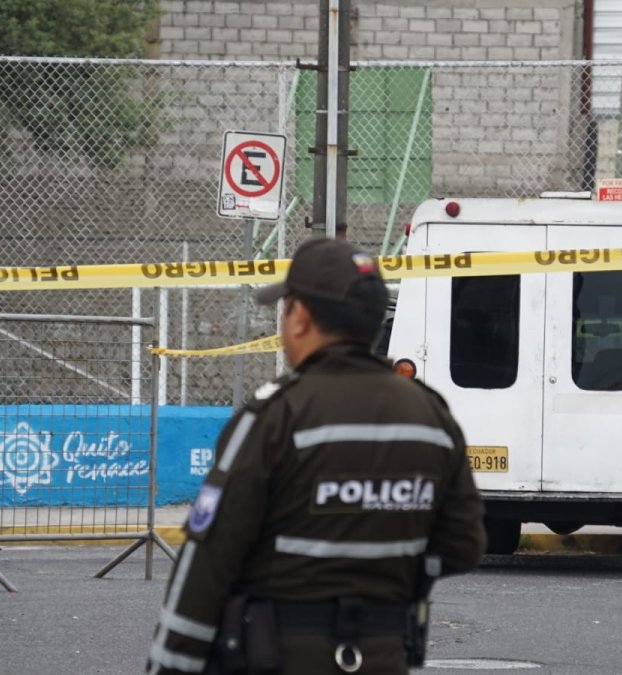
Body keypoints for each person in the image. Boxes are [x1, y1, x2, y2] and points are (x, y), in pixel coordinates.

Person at [148, 238, 486, 675]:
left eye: (285, 308)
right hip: (384, 656)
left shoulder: (274, 416)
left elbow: (208, 564)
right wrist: (388, 568)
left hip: (279, 657)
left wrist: (169, 664)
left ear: (301, 318)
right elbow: (463, 545)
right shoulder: (431, 417)